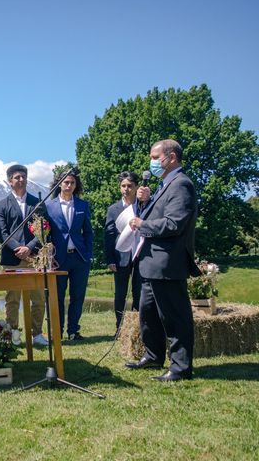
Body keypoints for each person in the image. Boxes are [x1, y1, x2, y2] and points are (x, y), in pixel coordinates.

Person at [126, 139, 199, 382]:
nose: (152, 162)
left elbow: (174, 223)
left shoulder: (181, 185)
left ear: (171, 158)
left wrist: (143, 224)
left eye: (155, 157)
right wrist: (145, 202)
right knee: (149, 314)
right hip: (151, 263)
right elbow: (157, 216)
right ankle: (153, 355)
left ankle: (180, 367)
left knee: (174, 316)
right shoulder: (164, 185)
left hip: (168, 263)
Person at [0, 164, 48, 347]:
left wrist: (30, 248)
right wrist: (19, 249)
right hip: (11, 259)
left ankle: (37, 334)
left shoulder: (38, 203)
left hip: (35, 258)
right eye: (17, 177)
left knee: (39, 298)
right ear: (10, 181)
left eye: (23, 176)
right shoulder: (2, 205)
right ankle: (12, 334)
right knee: (12, 299)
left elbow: (45, 229)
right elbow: (2, 233)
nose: (21, 180)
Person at [45, 169, 93, 341]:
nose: (69, 185)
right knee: (57, 296)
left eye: (72, 183)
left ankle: (73, 331)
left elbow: (88, 232)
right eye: (66, 182)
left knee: (77, 296)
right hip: (58, 258)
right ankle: (56, 332)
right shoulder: (49, 206)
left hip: (80, 257)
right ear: (59, 184)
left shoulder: (82, 205)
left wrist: (88, 253)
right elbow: (45, 234)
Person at [104, 171, 142, 335]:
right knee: (120, 294)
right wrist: (110, 259)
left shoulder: (143, 206)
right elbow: (109, 235)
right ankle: (119, 327)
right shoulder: (113, 209)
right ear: (120, 187)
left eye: (130, 186)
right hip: (120, 257)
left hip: (140, 255)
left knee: (139, 293)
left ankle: (137, 327)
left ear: (136, 187)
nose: (126, 189)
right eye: (123, 186)